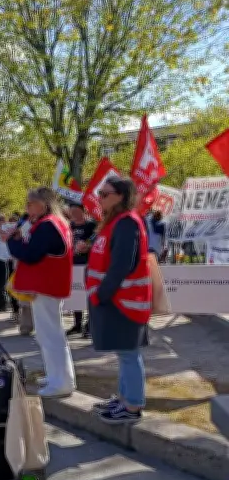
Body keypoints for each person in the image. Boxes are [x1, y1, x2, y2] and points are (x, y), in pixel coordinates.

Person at [87, 177, 151, 423]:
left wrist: (102, 294)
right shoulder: (114, 223)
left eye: (105, 194)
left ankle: (133, 405)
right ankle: (125, 398)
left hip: (125, 300)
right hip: (118, 298)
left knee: (128, 353)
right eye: (99, 194)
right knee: (124, 353)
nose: (100, 198)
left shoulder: (127, 223)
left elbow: (122, 265)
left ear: (121, 196)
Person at [7, 187, 76, 398]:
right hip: (49, 284)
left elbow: (30, 255)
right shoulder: (57, 223)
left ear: (43, 204)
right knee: (50, 333)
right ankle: (58, 376)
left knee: (50, 334)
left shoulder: (47, 225)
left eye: (30, 203)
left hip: (46, 285)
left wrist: (12, 240)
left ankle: (61, 381)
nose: (26, 207)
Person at [68, 203, 96, 338]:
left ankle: (89, 325)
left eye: (76, 211)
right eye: (72, 211)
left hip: (87, 263)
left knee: (88, 296)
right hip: (72, 264)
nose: (74, 214)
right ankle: (77, 324)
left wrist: (87, 247)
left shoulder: (91, 225)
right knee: (75, 295)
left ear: (83, 211)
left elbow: (95, 241)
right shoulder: (69, 226)